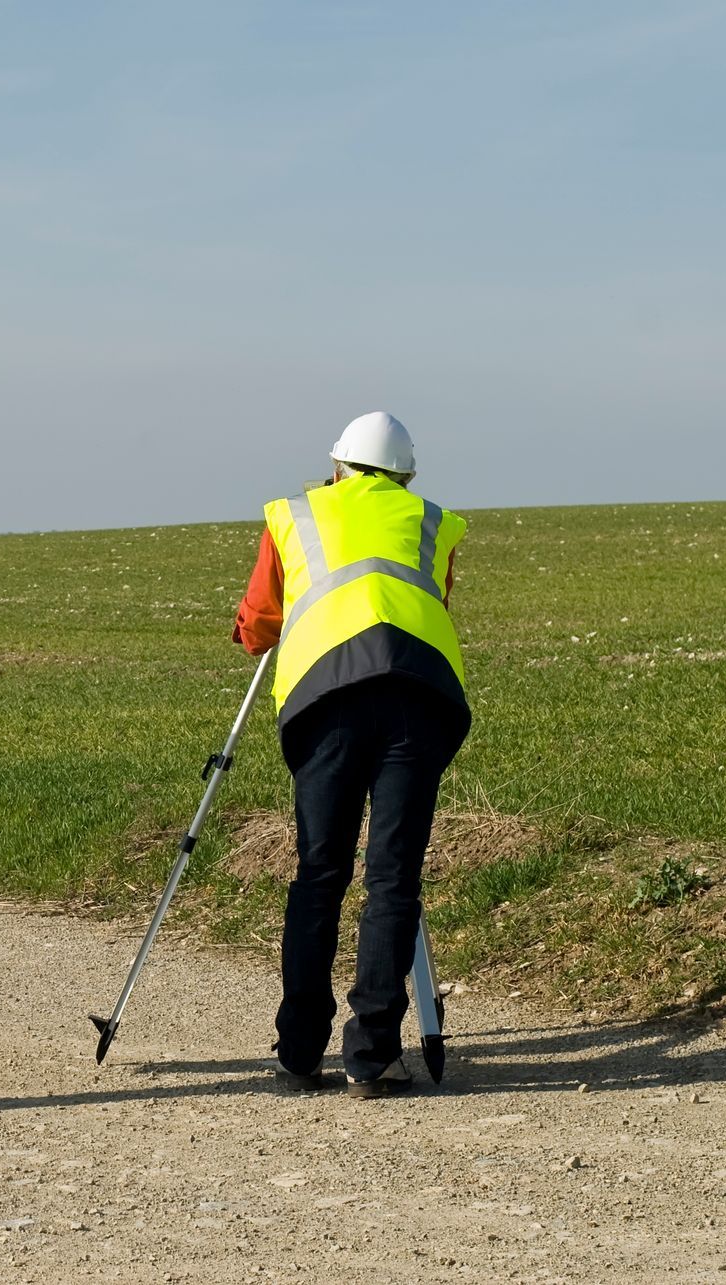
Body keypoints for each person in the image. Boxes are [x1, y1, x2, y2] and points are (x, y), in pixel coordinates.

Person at [232, 411, 470, 1099]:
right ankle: (372, 1057)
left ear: (337, 467)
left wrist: (255, 627)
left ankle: (299, 1054)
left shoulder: (294, 515)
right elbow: (431, 601)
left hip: (324, 700)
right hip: (417, 695)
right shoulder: (434, 522)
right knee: (392, 879)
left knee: (320, 873)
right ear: (406, 476)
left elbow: (258, 625)